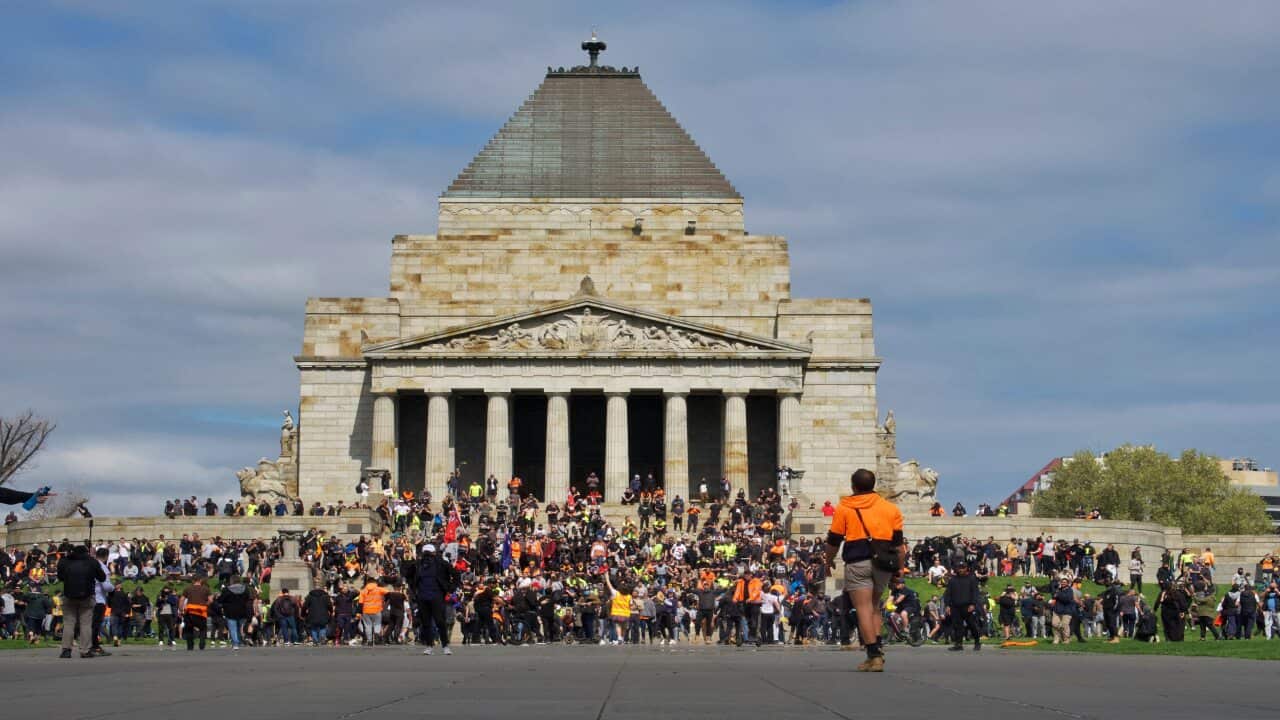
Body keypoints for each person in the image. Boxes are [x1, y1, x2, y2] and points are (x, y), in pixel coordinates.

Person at [822, 468, 905, 672]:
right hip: (883, 563)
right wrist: (899, 570)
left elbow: (834, 539)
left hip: (858, 561)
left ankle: (874, 655)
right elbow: (899, 546)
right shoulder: (890, 508)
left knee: (863, 608)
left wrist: (829, 560)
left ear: (854, 486)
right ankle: (877, 650)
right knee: (875, 606)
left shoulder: (845, 507)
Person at [56, 545, 104, 659]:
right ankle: (85, 650)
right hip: (87, 596)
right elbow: (102, 577)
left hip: (69, 595)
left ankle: (66, 650)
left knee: (69, 623)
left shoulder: (65, 561)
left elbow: (61, 577)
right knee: (86, 624)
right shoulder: (92, 561)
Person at [415, 543, 459, 655]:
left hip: (437, 596)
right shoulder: (418, 564)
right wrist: (414, 589)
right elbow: (410, 576)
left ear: (434, 553)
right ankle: (429, 646)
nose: (428, 556)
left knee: (440, 622)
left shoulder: (441, 563)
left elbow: (456, 574)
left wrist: (450, 589)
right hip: (423, 596)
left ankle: (445, 646)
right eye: (426, 554)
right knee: (426, 622)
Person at [943, 564, 982, 652]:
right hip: (955, 607)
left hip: (967, 606)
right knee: (957, 626)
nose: (960, 570)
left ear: (966, 568)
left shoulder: (971, 579)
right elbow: (948, 593)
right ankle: (958, 644)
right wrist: (947, 605)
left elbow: (975, 593)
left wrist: (973, 604)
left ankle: (977, 642)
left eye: (962, 568)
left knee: (972, 625)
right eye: (959, 568)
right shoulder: (953, 580)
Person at [180, 576, 213, 651]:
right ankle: (202, 643)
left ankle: (190, 645)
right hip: (201, 612)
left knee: (189, 629)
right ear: (200, 580)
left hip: (190, 611)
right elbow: (211, 600)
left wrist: (181, 609)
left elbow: (182, 599)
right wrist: (206, 604)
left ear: (193, 581)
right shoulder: (206, 589)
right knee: (202, 628)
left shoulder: (188, 588)